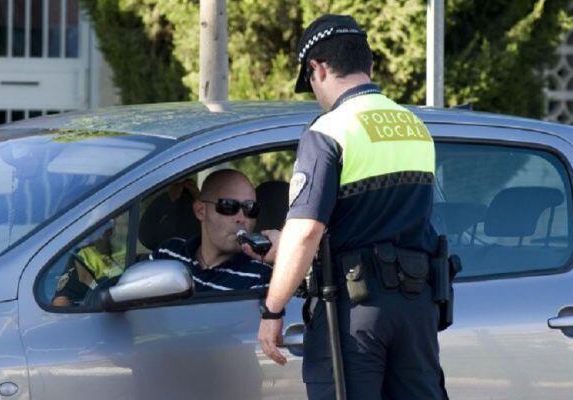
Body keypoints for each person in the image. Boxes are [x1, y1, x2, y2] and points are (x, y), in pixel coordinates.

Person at [257, 14, 447, 399]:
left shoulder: (328, 131)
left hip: (354, 311)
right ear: (370, 65)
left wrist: (273, 310)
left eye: (310, 81)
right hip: (417, 308)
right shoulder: (414, 126)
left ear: (318, 68)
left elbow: (306, 230)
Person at [151, 169, 277, 292]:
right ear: (200, 210)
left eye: (250, 208)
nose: (242, 218)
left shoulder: (259, 277)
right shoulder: (168, 253)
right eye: (228, 206)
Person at [52, 222, 124, 307]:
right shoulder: (83, 257)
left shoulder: (128, 247)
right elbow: (61, 302)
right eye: (96, 230)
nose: (98, 236)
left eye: (103, 229)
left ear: (112, 230)